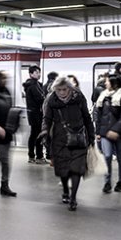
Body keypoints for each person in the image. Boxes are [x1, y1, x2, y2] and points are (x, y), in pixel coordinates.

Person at [40, 76, 94, 211]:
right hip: (60, 139)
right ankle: (65, 190)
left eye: (64, 89)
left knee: (77, 169)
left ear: (70, 88)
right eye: (59, 90)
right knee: (63, 169)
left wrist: (91, 136)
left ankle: (73, 198)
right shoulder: (51, 100)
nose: (62, 93)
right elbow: (47, 118)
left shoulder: (79, 98)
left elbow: (87, 117)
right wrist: (45, 131)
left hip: (78, 138)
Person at [93, 74, 121, 193]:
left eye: (107, 82)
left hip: (120, 133)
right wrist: (98, 132)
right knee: (107, 156)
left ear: (114, 84)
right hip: (105, 133)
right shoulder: (103, 96)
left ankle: (120, 182)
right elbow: (98, 115)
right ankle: (107, 182)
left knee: (120, 158)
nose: (105, 84)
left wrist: (115, 130)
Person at [23, 65, 47, 164]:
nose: (39, 74)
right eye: (36, 72)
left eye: (39, 72)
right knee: (37, 135)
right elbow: (40, 98)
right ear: (31, 74)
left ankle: (32, 155)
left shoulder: (35, 84)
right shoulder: (32, 85)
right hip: (36, 114)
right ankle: (38, 156)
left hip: (34, 114)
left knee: (34, 135)